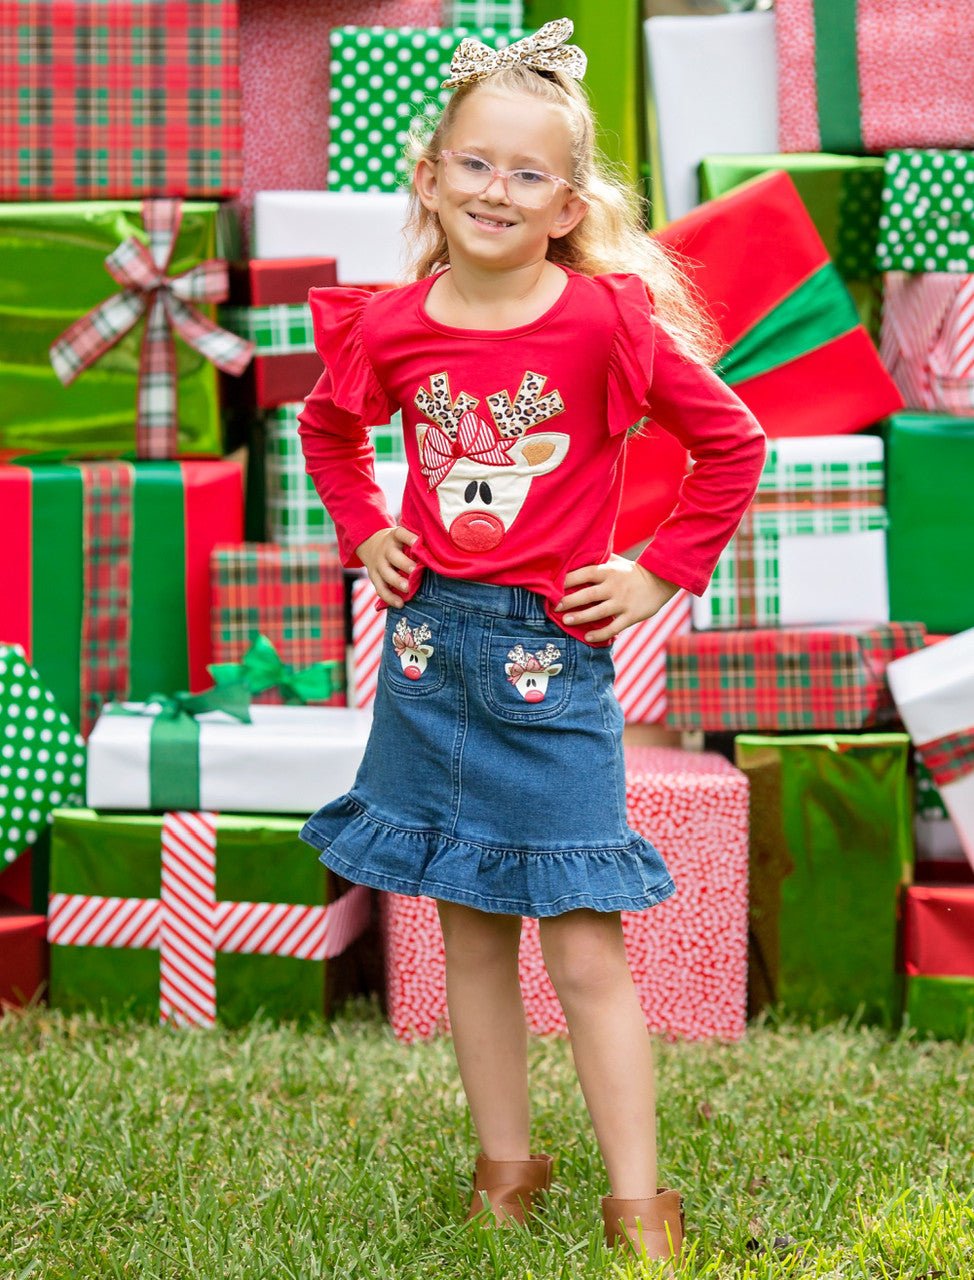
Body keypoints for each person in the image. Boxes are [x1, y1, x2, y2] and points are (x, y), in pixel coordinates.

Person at [297, 18, 765, 1266]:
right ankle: (503, 1167)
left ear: (565, 204)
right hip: (423, 655)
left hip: (548, 663)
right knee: (463, 924)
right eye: (473, 164)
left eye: (525, 173)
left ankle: (637, 1200)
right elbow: (330, 433)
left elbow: (731, 443)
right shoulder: (393, 328)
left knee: (581, 935)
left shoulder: (601, 325)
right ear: (431, 175)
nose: (493, 190)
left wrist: (655, 567)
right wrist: (366, 533)